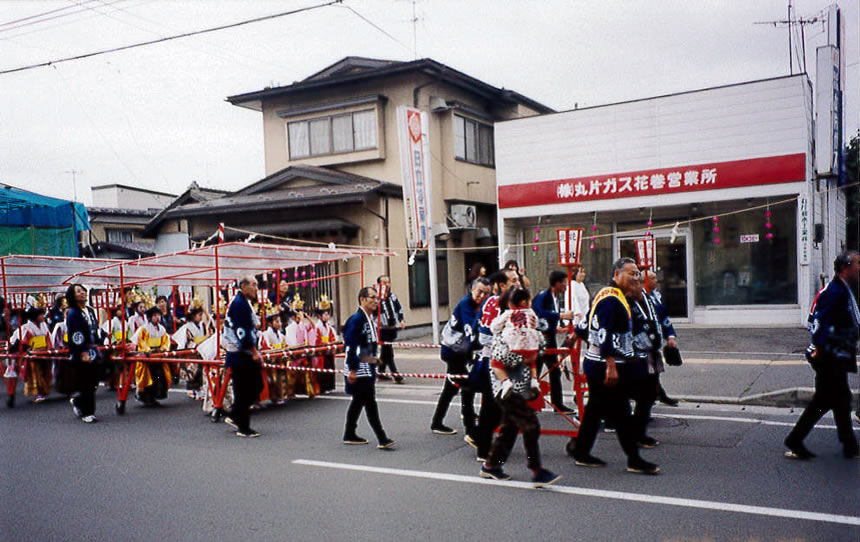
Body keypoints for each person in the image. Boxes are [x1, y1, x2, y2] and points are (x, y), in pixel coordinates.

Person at [567, 257, 659, 475]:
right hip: (603, 365)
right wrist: (610, 364)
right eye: (630, 273)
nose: (635, 277)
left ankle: (580, 451)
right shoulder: (612, 299)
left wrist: (574, 335)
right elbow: (603, 332)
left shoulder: (614, 296)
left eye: (637, 273)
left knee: (595, 410)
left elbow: (587, 321)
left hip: (599, 363)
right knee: (621, 411)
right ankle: (633, 459)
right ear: (616, 274)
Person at [480, 287, 560, 487]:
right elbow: (500, 357)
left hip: (520, 384)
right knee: (531, 424)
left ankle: (491, 466)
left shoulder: (528, 324)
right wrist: (526, 356)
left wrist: (536, 338)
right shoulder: (504, 329)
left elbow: (540, 345)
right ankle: (536, 470)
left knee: (509, 428)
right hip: (505, 386)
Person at [785, 250, 859, 460]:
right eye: (858, 263)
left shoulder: (841, 288)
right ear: (846, 267)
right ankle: (795, 440)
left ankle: (850, 446)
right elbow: (820, 321)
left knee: (841, 400)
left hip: (836, 354)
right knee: (824, 400)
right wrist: (818, 348)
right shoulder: (835, 291)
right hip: (829, 356)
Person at [432, 277, 491, 437]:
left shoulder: (484, 305)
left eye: (486, 293)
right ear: (472, 290)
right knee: (466, 385)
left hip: (463, 351)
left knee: (451, 388)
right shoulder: (465, 304)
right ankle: (469, 426)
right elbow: (470, 330)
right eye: (479, 292)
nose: (482, 296)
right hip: (452, 350)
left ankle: (438, 421)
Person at [474, 269, 520, 461]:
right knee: (501, 410)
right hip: (492, 362)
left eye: (518, 279)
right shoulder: (495, 302)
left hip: (501, 362)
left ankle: (484, 449)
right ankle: (488, 454)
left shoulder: (510, 302)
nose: (518, 283)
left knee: (492, 410)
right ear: (502, 285)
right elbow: (484, 336)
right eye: (513, 280)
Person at [342, 286, 395, 449]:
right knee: (370, 402)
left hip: (366, 365)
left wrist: (374, 360)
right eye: (372, 297)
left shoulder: (368, 319)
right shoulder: (357, 320)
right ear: (362, 299)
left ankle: (349, 433)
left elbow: (367, 345)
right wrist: (352, 369)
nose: (375, 301)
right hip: (359, 368)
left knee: (358, 401)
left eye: (377, 298)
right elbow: (351, 345)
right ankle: (381, 437)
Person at [223, 274, 264, 438]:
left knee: (255, 386)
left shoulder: (244, 302)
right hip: (240, 353)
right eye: (253, 284)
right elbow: (242, 332)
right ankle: (243, 427)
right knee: (245, 389)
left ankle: (235, 415)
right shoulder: (239, 304)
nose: (256, 288)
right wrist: (254, 351)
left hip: (245, 351)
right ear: (243, 286)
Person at [533, 270, 576, 414]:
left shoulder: (556, 298)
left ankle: (558, 405)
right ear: (557, 283)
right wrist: (561, 315)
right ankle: (529, 404)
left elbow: (547, 320)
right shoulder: (543, 296)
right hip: (539, 339)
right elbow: (537, 313)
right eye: (564, 282)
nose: (565, 285)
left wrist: (555, 328)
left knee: (554, 371)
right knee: (535, 373)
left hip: (549, 338)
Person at [628, 274, 662, 448]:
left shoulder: (648, 300)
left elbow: (660, 316)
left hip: (651, 351)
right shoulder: (626, 302)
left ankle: (638, 432)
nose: (636, 287)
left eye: (638, 283)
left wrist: (668, 337)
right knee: (642, 393)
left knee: (649, 394)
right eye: (633, 284)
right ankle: (636, 434)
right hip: (635, 355)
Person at [66, 284, 102, 423]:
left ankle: (78, 400)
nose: (83, 293)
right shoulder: (73, 313)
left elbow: (95, 328)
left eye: (83, 291)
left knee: (94, 381)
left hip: (94, 349)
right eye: (78, 291)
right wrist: (82, 352)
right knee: (86, 382)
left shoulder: (90, 310)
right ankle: (88, 413)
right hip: (82, 350)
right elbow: (75, 334)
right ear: (72, 296)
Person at [645, 272, 681, 406]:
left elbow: (664, 317)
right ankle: (657, 395)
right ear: (645, 281)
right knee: (648, 373)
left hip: (654, 341)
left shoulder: (656, 296)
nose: (656, 280)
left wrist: (670, 336)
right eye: (653, 278)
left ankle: (658, 394)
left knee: (655, 371)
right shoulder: (640, 297)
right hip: (644, 342)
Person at [132, 306, 172, 407]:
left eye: (158, 315)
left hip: (158, 354)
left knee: (159, 376)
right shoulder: (144, 329)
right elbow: (142, 342)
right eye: (154, 315)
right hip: (148, 355)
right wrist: (149, 350)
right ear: (150, 317)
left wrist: (163, 349)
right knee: (148, 376)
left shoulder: (162, 328)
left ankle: (154, 396)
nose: (157, 318)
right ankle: (146, 397)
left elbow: (166, 341)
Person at [20, 305, 52, 403]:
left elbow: (48, 338)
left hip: (44, 352)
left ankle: (44, 391)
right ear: (35, 316)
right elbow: (25, 342)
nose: (43, 317)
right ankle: (39, 393)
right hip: (34, 352)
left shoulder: (44, 325)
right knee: (36, 374)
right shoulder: (27, 327)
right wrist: (28, 351)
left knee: (45, 372)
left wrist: (50, 349)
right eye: (41, 315)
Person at [376, 275, 406, 383]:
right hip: (382, 329)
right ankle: (396, 375)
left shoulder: (392, 296)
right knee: (389, 352)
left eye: (388, 282)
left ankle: (380, 372)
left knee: (385, 352)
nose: (387, 285)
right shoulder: (376, 298)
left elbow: (398, 308)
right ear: (379, 284)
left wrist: (401, 319)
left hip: (392, 328)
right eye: (384, 283)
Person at [314, 294, 338, 394]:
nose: (327, 316)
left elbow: (332, 336)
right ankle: (323, 387)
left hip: (328, 349)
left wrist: (332, 343)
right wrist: (325, 344)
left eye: (328, 314)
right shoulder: (317, 326)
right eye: (325, 314)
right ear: (319, 316)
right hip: (322, 350)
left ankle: (329, 386)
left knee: (330, 366)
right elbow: (317, 339)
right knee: (323, 368)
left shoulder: (328, 326)